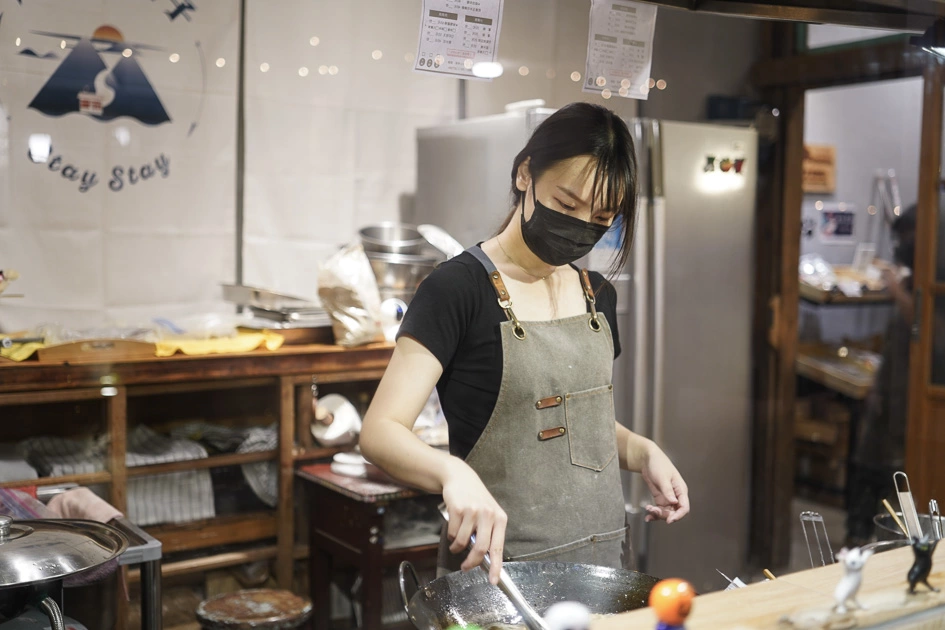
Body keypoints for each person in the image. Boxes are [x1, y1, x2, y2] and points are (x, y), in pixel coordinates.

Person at [359, 102, 689, 585]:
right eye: (566, 204)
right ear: (524, 174)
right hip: (498, 579)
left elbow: (575, 421)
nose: (580, 225)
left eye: (601, 216)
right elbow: (380, 431)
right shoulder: (457, 290)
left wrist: (642, 451)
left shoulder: (598, 294)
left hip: (600, 570)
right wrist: (452, 473)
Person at [845, 204, 915, 547]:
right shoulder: (914, 276)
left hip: (914, 399)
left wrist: (893, 287)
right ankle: (856, 540)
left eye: (907, 237)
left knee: (897, 472)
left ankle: (893, 545)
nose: (902, 245)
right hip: (890, 389)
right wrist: (877, 386)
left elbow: (924, 322)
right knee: (868, 463)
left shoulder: (932, 282)